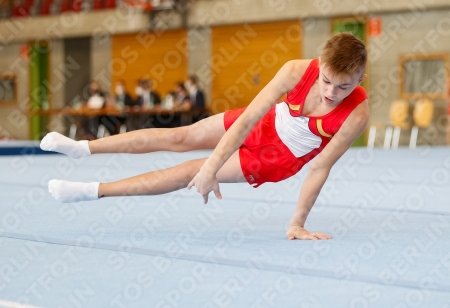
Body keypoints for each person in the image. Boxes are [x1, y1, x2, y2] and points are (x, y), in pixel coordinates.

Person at [41, 33, 369, 240]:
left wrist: (297, 224)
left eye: (344, 86)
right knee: (182, 136)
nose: (331, 93)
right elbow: (248, 119)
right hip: (265, 122)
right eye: (326, 80)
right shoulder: (297, 70)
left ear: (361, 78)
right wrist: (212, 167)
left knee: (190, 171)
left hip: (276, 158)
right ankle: (83, 148)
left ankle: (89, 191)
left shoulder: (356, 115)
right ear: (320, 64)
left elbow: (320, 167)